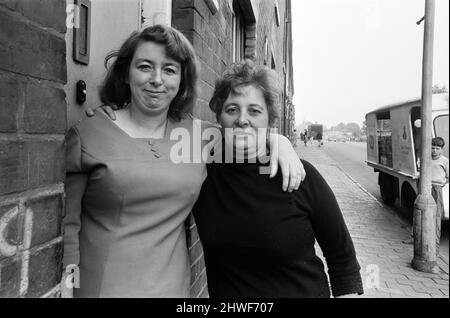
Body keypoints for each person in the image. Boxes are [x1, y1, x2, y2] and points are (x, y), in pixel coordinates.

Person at [63, 25, 304, 298]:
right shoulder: (89, 134)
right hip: (103, 288)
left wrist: (280, 142)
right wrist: (68, 285)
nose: (157, 79)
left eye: (169, 70)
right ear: (126, 73)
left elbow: (246, 135)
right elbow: (68, 225)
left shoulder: (198, 136)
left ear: (181, 81)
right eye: (144, 67)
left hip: (174, 289)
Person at [192, 60, 364, 298]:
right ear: (220, 117)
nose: (242, 119)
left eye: (254, 111)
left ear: (270, 119)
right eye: (232, 109)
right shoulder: (203, 175)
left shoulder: (300, 175)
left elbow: (342, 260)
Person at [431, 137, 449, 256]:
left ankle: (435, 248)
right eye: (432, 148)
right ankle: (415, 237)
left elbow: (447, 177)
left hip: (437, 189)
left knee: (436, 219)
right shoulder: (425, 159)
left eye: (437, 149)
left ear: (441, 150)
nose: (434, 151)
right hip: (426, 187)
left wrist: (441, 184)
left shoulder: (445, 161)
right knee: (420, 213)